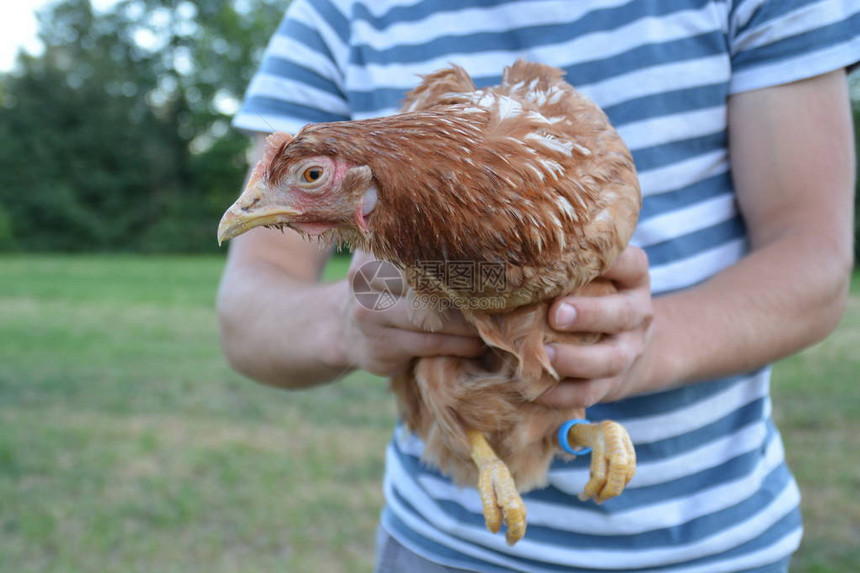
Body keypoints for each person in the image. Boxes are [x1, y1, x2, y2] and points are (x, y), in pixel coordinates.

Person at [217, 1, 859, 571]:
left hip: (713, 540)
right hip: (446, 545)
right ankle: (495, 447)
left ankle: (577, 430)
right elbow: (248, 317)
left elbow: (815, 260)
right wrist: (351, 318)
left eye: (306, 178)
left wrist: (633, 353)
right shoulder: (339, 13)